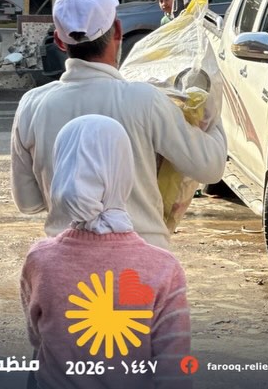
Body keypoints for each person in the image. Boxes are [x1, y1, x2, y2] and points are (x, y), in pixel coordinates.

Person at [11, 0, 226, 250]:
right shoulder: (145, 100)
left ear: (59, 41)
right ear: (118, 31)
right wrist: (211, 104)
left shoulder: (32, 104)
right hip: (142, 261)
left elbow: (28, 202)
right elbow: (210, 167)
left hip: (67, 263)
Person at [20, 114, 191, 389]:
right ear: (125, 173)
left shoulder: (39, 261)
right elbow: (173, 370)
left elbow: (38, 341)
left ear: (60, 171)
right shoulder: (163, 268)